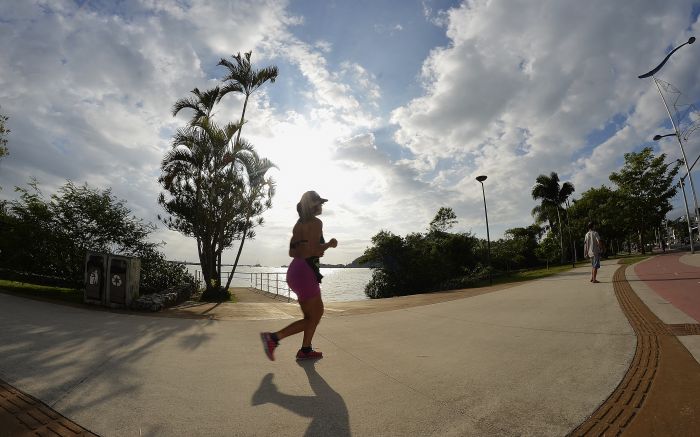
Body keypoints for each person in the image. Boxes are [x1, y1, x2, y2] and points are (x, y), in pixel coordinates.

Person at [260, 191, 338, 361]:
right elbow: (314, 250)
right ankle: (273, 338)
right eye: (320, 203)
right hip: (305, 273)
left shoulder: (298, 225)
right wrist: (329, 245)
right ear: (312, 205)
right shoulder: (316, 223)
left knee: (314, 315)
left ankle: (305, 349)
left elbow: (292, 252)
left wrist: (309, 248)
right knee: (313, 317)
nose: (322, 206)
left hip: (295, 271)